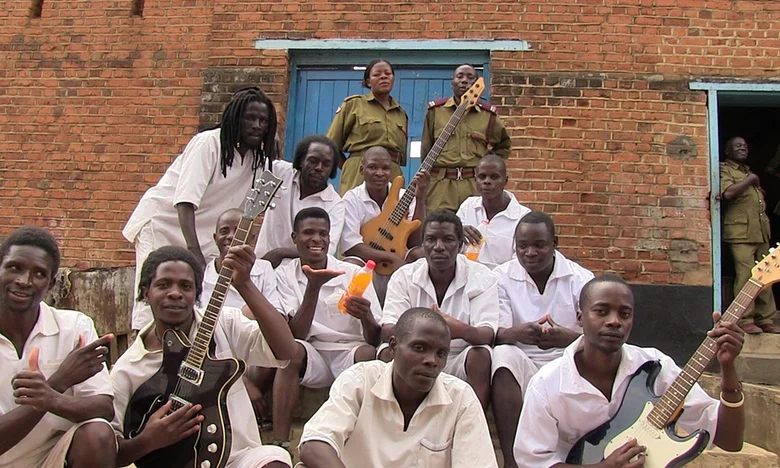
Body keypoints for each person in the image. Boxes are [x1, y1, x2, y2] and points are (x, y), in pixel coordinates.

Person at [513, 274, 746, 467]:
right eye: (601, 311)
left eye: (624, 314)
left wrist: (727, 368)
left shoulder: (656, 367)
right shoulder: (546, 384)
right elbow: (533, 463)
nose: (614, 321)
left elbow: (730, 440)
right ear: (580, 318)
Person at [109, 245, 297, 468]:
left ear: (196, 294)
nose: (175, 293)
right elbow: (109, 453)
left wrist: (245, 284)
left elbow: (286, 351)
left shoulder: (223, 324)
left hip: (238, 460)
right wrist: (148, 440)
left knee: (275, 461)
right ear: (146, 292)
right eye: (163, 285)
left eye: (186, 286)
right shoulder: (128, 369)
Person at [123, 87, 278, 331]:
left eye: (263, 121)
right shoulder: (209, 143)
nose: (257, 125)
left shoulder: (258, 159)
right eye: (250, 118)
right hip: (165, 225)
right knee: (158, 291)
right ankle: (146, 345)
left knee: (193, 299)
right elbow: (185, 202)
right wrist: (194, 252)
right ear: (235, 118)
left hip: (205, 235)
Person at [297, 308, 498, 468]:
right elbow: (313, 444)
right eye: (419, 348)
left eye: (441, 353)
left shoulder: (461, 398)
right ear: (393, 346)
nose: (432, 360)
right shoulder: (361, 380)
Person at [0, 226, 116, 468]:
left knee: (98, 434)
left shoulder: (74, 328)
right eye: (14, 268)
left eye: (39, 274)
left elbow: (104, 409)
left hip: (52, 459)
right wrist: (59, 382)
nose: (24, 281)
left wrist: (50, 398)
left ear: (51, 283)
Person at [270, 208, 383, 450]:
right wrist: (313, 288)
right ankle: (280, 442)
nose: (317, 239)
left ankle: (362, 443)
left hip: (349, 351)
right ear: (294, 238)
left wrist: (366, 316)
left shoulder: (354, 273)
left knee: (368, 355)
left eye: (323, 233)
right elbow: (296, 334)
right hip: (314, 352)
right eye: (308, 232)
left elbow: (374, 338)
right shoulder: (284, 275)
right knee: (290, 352)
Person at [490, 212, 594, 468]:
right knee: (502, 356)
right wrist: (518, 333)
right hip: (523, 360)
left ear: (554, 243)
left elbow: (598, 335)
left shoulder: (581, 279)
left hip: (565, 361)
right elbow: (496, 332)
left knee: (588, 354)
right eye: (522, 246)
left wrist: (568, 339)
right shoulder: (500, 276)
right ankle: (512, 461)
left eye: (539, 245)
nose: (530, 253)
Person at [380, 210, 498, 410]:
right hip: (415, 354)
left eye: (448, 240)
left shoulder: (481, 277)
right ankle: (395, 418)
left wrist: (457, 329)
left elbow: (487, 333)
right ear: (423, 245)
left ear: (460, 245)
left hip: (457, 356)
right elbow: (387, 329)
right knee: (388, 351)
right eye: (431, 240)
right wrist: (426, 332)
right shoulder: (404, 276)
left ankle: (474, 420)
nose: (439, 247)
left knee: (481, 354)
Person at [204, 208, 283, 427]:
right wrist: (245, 382)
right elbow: (203, 328)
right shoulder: (203, 273)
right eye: (224, 231)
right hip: (216, 353)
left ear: (252, 238)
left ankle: (246, 413)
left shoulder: (264, 269)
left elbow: (275, 314)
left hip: (250, 350)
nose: (231, 236)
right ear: (215, 238)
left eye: (239, 230)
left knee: (272, 340)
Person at [340, 146, 430, 301]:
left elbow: (415, 242)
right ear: (362, 170)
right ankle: (354, 308)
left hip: (400, 256)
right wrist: (390, 258)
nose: (380, 173)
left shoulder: (404, 196)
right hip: (367, 260)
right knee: (351, 264)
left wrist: (420, 199)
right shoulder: (352, 199)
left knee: (422, 255)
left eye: (385, 168)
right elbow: (351, 246)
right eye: (372, 167)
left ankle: (417, 305)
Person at [422, 64, 511, 213]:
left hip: (473, 184)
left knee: (475, 224)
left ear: (476, 84)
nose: (464, 81)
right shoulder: (435, 112)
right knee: (438, 223)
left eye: (470, 77)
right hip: (441, 186)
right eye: (460, 76)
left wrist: (487, 163)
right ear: (452, 83)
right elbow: (426, 149)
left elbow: (504, 145)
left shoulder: (488, 115)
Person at [255, 135, 345, 268]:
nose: (319, 168)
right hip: (262, 265)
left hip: (300, 274)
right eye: (313, 161)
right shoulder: (281, 173)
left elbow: (326, 250)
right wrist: (269, 135)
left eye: (326, 164)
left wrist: (280, 253)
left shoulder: (335, 204)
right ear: (301, 161)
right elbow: (253, 162)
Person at [720, 136, 779, 334]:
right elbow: (728, 193)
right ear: (727, 151)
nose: (743, 148)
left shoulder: (746, 171)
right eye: (738, 146)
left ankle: (765, 319)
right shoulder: (725, 170)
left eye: (745, 145)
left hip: (760, 231)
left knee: (766, 275)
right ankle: (745, 319)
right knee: (746, 275)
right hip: (740, 232)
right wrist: (751, 181)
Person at [326, 59, 409, 195]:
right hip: (359, 172)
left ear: (393, 79)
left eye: (387, 73)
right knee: (355, 208)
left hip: (392, 174)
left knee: (392, 209)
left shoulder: (401, 114)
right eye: (377, 74)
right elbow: (331, 144)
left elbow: (401, 155)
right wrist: (350, 166)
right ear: (368, 82)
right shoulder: (354, 105)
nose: (383, 76)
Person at [456, 153, 531, 269]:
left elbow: (519, 262)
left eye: (494, 177)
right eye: (482, 177)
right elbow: (452, 248)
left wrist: (489, 277)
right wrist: (457, 232)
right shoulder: (468, 207)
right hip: (466, 276)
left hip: (502, 279)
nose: (487, 181)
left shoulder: (522, 217)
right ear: (475, 180)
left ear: (505, 181)